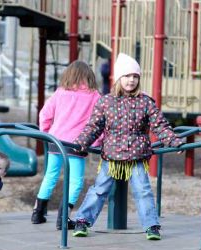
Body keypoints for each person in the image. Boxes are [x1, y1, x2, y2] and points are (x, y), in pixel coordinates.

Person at [71, 53, 184, 240]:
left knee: (143, 191)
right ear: (118, 78)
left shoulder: (145, 102)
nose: (131, 80)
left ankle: (151, 225)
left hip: (137, 156)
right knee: (99, 189)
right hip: (112, 156)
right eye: (127, 76)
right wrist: (81, 143)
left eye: (135, 76)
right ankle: (83, 220)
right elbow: (94, 127)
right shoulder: (106, 102)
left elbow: (160, 126)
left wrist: (173, 140)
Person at [31, 60, 102, 230]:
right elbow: (101, 121)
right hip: (78, 144)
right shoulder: (94, 96)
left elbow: (45, 114)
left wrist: (46, 133)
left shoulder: (60, 92)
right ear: (89, 77)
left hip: (56, 142)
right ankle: (63, 218)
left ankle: (38, 213)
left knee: (50, 176)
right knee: (75, 181)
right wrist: (97, 142)